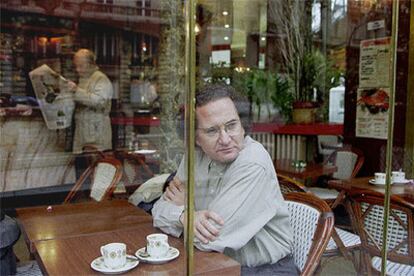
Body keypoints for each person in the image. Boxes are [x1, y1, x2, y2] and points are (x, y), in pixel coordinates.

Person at [152, 84, 297, 275]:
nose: (226, 139)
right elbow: (158, 211)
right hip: (210, 261)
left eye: (231, 126)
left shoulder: (253, 162)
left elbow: (209, 239)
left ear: (242, 124)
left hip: (262, 270)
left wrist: (184, 211)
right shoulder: (194, 156)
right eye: (212, 131)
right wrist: (185, 216)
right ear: (195, 138)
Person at [67, 49, 113, 154]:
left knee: (96, 167)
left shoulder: (101, 79)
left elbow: (99, 101)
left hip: (96, 136)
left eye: (81, 66)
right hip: (82, 135)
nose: (78, 70)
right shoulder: (83, 79)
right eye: (76, 66)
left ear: (90, 64)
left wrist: (76, 90)